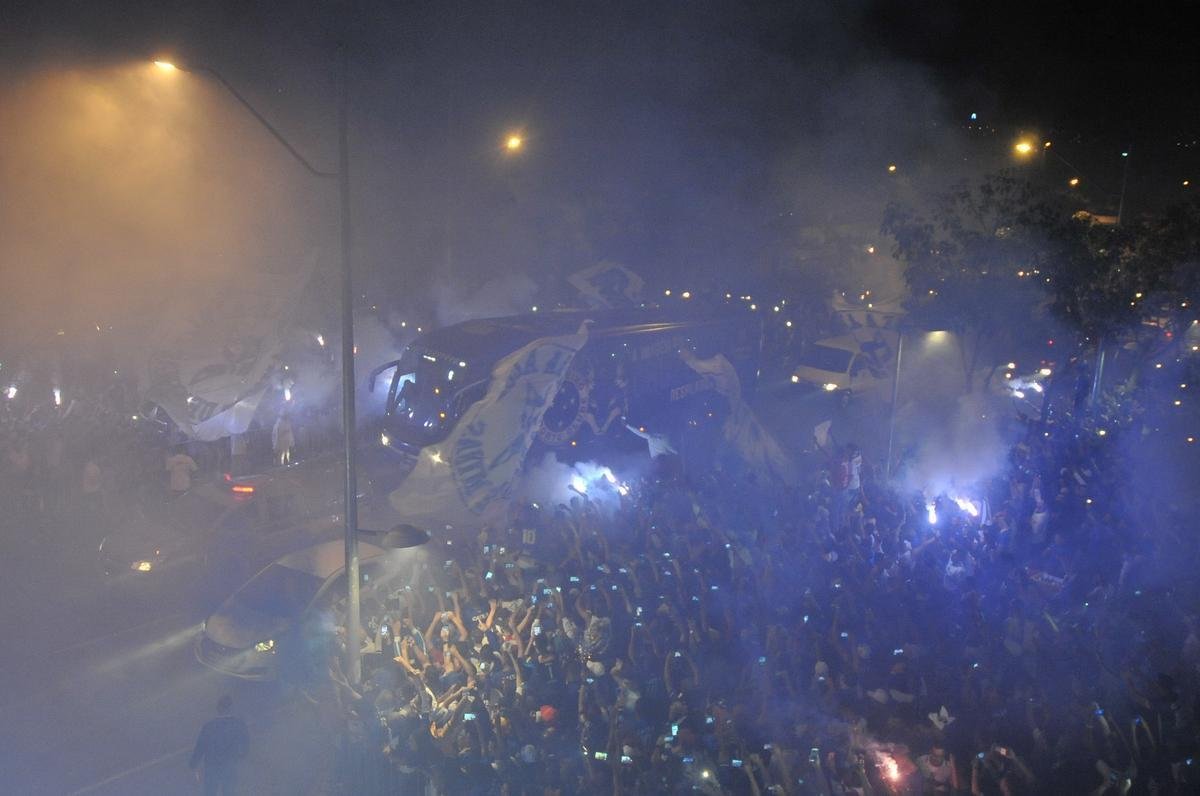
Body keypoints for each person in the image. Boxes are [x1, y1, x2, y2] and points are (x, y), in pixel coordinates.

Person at [189, 694, 249, 795]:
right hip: (230, 765)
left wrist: (193, 764)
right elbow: (245, 743)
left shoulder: (209, 726)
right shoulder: (238, 724)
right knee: (229, 791)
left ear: (218, 709)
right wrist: (241, 755)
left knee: (210, 792)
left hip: (211, 766)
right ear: (231, 708)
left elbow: (200, 746)